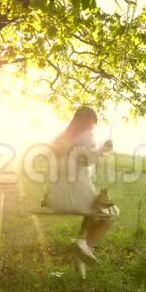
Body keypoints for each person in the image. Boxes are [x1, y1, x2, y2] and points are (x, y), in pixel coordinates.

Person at [44, 106, 118, 278]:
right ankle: (85, 247)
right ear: (87, 122)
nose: (93, 127)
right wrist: (104, 150)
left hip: (56, 196)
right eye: (92, 123)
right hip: (75, 195)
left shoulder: (60, 138)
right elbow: (86, 161)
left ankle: (82, 249)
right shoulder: (87, 137)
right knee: (110, 213)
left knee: (95, 208)